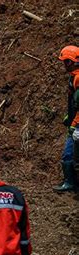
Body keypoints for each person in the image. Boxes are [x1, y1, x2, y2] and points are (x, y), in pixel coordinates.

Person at [54, 45, 79, 192]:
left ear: (72, 61)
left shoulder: (77, 78)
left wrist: (74, 123)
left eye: (66, 61)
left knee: (69, 153)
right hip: (74, 120)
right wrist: (69, 116)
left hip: (77, 125)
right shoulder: (74, 76)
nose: (64, 65)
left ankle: (70, 183)